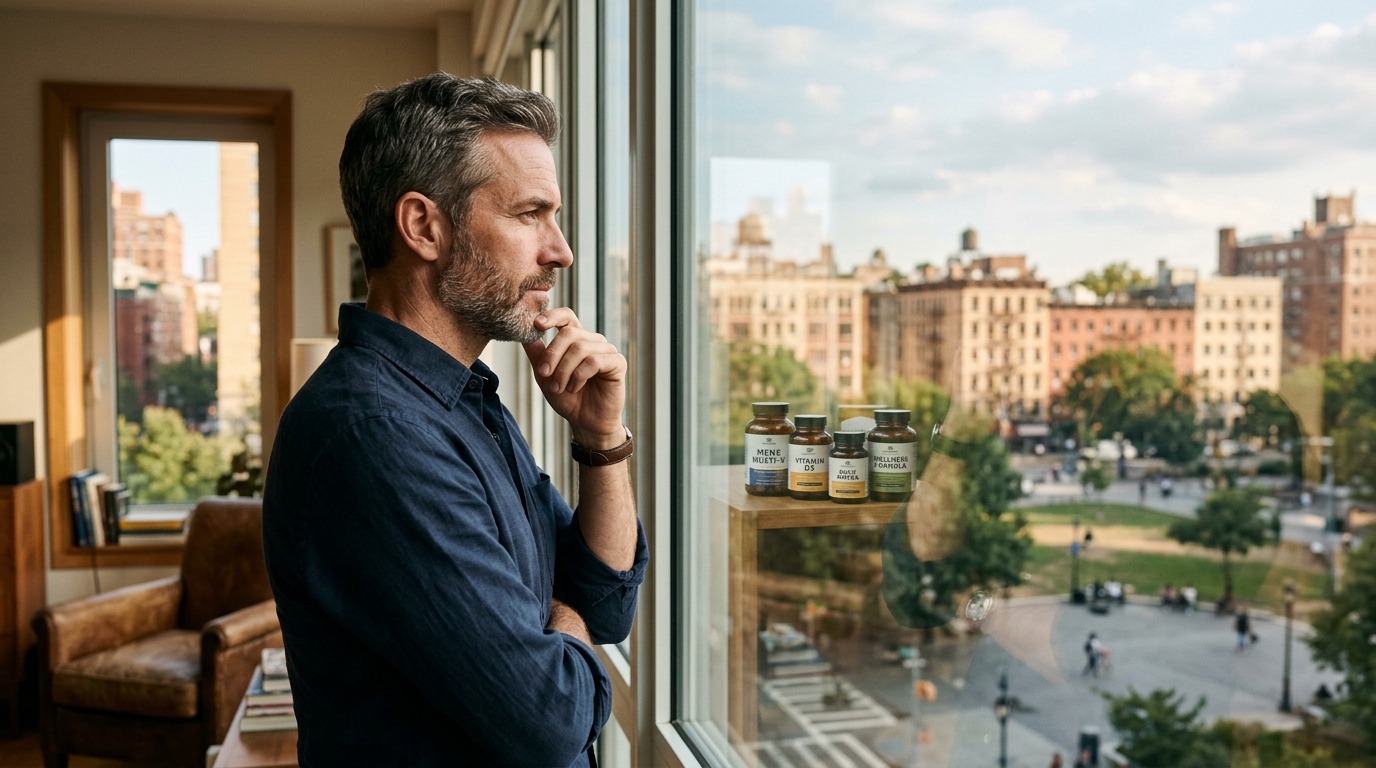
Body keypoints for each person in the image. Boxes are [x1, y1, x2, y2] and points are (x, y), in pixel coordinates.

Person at [262, 75, 648, 766]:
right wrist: (566, 619)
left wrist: (601, 442)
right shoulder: (375, 434)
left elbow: (607, 602)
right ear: (423, 227)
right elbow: (552, 716)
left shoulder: (465, 401)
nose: (559, 251)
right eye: (531, 214)